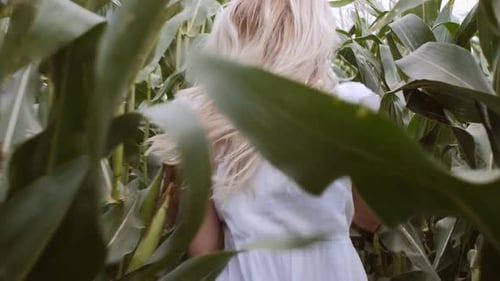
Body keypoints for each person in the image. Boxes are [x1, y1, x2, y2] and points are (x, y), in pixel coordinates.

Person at [148, 0, 381, 280]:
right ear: (314, 37)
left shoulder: (206, 122)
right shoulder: (349, 108)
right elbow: (371, 219)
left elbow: (206, 249)